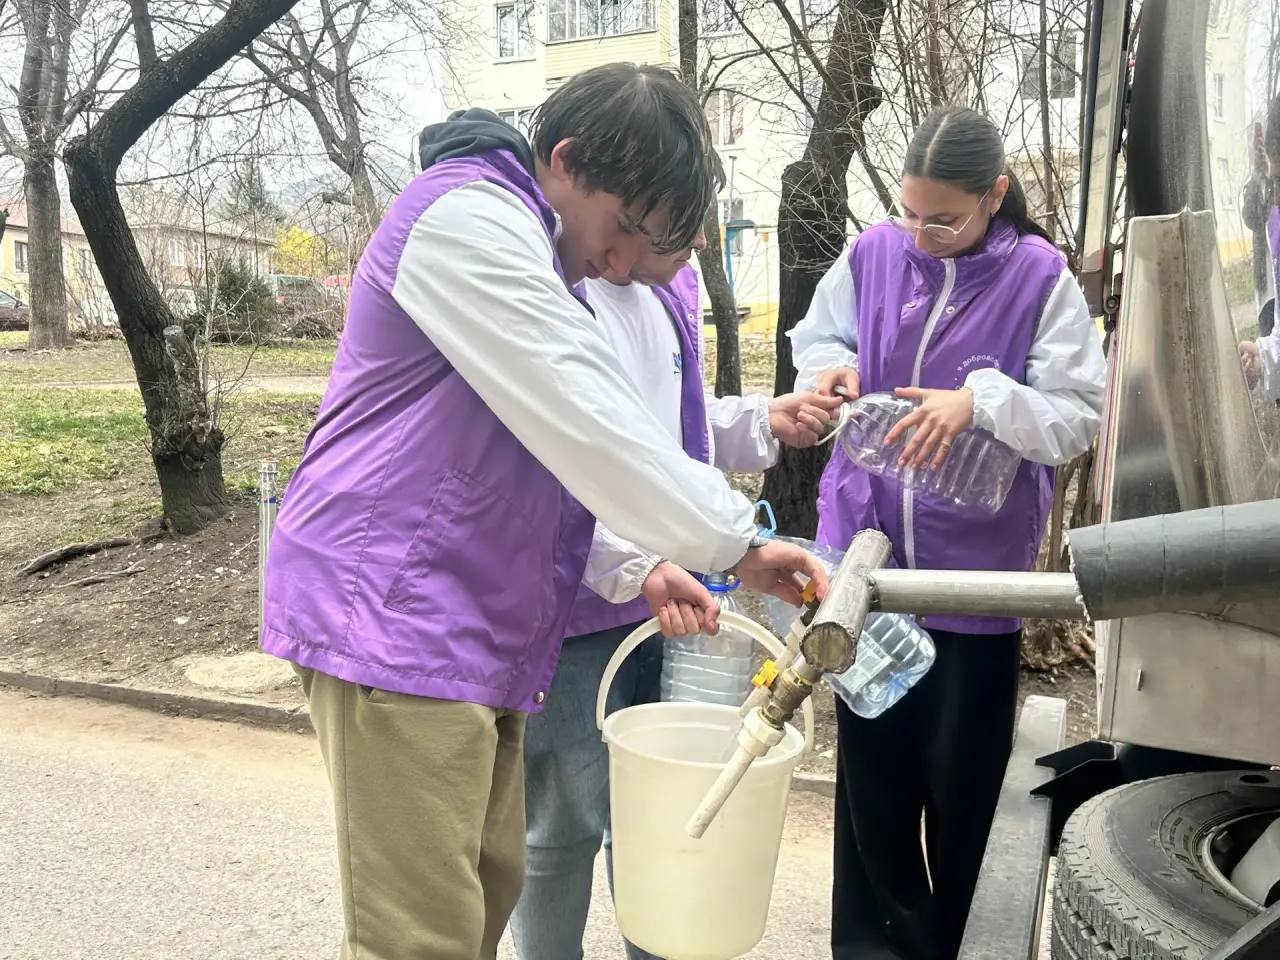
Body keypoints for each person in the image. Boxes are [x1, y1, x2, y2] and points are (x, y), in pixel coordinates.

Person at [260, 64, 829, 960]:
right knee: (420, 937)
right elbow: (593, 423)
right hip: (394, 616)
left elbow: (549, 474)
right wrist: (739, 542)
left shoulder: (535, 251)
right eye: (623, 230)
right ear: (561, 160)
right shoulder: (469, 224)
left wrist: (633, 563)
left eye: (647, 248)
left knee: (486, 891)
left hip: (467, 623)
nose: (620, 264)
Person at [788, 106, 1107, 960]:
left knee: (964, 803)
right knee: (872, 802)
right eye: (911, 211)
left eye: (946, 217)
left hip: (974, 589)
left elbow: (1078, 415)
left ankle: (959, 950)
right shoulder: (872, 254)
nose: (923, 234)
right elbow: (817, 338)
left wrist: (986, 401)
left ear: (995, 195)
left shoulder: (1040, 278)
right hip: (867, 579)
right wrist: (832, 371)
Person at [509, 240, 843, 960]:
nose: (687, 249)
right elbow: (565, 457)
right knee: (556, 829)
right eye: (672, 228)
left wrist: (757, 420)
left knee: (663, 814)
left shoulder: (668, 289)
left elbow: (662, 436)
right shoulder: (553, 277)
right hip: (572, 615)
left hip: (664, 605)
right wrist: (637, 561)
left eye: (695, 232)